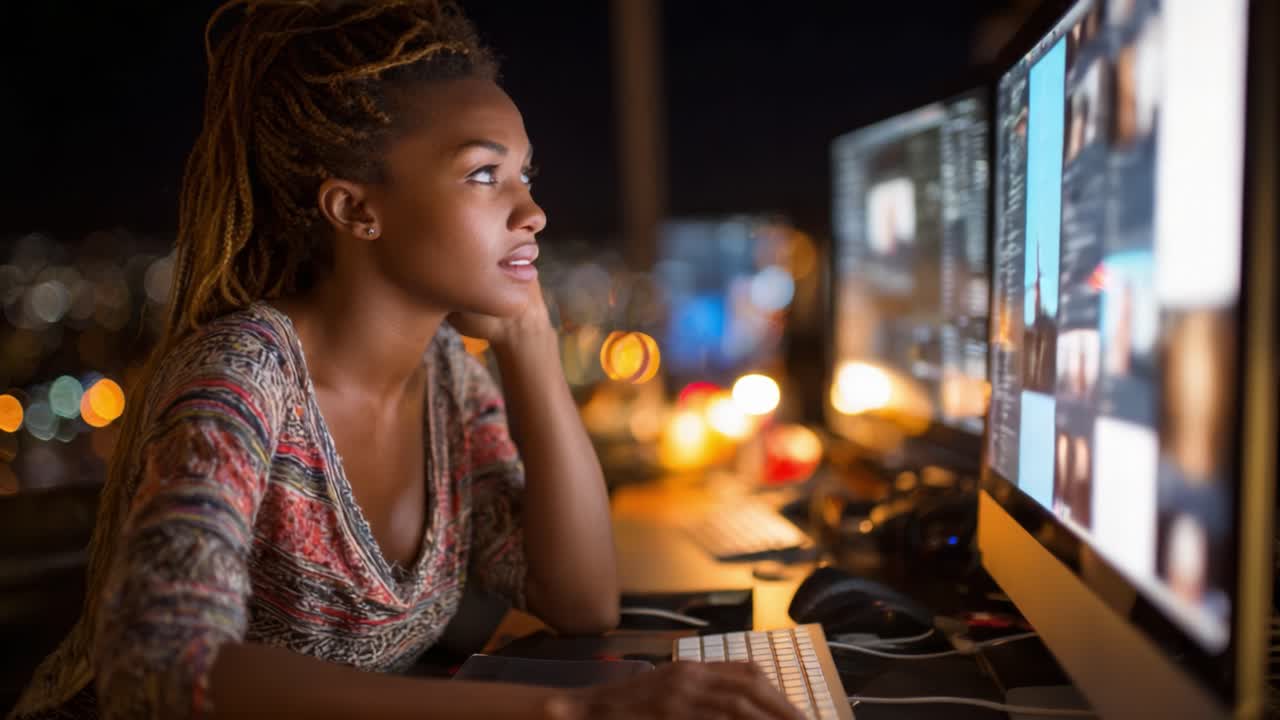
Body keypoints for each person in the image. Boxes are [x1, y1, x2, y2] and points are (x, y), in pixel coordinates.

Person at [9, 2, 800, 719]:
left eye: (526, 175)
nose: (533, 211)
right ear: (356, 209)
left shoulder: (448, 374)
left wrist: (527, 337)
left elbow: (579, 598)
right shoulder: (244, 376)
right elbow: (163, 667)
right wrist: (570, 714)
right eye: (484, 175)